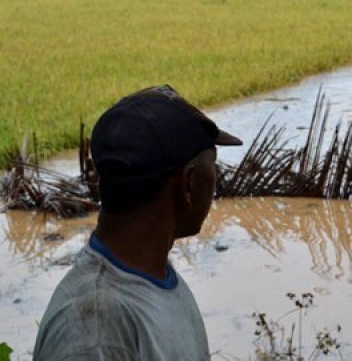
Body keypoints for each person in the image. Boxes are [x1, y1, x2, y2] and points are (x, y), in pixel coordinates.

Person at [33, 85, 243, 360]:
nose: (215, 179)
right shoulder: (96, 335)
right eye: (212, 164)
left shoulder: (156, 279)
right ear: (189, 184)